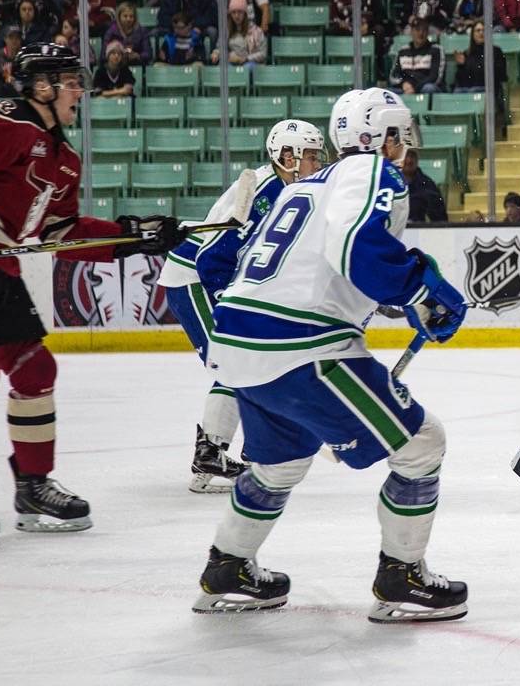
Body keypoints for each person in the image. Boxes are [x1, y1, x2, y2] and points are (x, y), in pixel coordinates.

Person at [192, 87, 469, 622]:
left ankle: (228, 565)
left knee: (279, 464)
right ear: (380, 136)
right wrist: (419, 291)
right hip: (301, 347)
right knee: (422, 444)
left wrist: (396, 292)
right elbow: (352, 247)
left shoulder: (306, 187)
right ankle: (402, 576)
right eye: (397, 133)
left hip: (241, 344)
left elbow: (308, 264)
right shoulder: (368, 173)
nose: (404, 144)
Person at [0, 43, 186, 554]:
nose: (80, 90)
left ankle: (33, 490)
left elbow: (63, 230)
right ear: (40, 87)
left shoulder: (63, 157)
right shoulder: (4, 120)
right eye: (69, 81)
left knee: (34, 370)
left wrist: (132, 235)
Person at [159, 120, 325, 493]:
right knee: (237, 360)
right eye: (311, 156)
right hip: (194, 279)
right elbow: (213, 258)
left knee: (248, 362)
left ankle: (217, 461)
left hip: (211, 277)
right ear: (287, 156)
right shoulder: (264, 191)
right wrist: (228, 308)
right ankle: (212, 453)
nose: (318, 163)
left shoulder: (291, 192)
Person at [388, 17, 445, 95]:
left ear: (428, 32)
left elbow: (435, 77)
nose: (421, 33)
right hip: (406, 88)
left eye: (424, 30)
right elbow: (394, 75)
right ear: (411, 32)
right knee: (387, 93)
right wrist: (403, 84)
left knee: (429, 88)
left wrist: (415, 87)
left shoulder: (436, 50)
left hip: (424, 87)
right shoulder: (403, 51)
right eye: (417, 30)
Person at [452, 21, 507, 100]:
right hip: (469, 90)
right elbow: (462, 82)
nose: (481, 33)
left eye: (484, 30)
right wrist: (461, 66)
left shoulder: (496, 51)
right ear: (473, 34)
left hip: (488, 90)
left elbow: (502, 76)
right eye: (478, 30)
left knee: (473, 91)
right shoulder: (467, 53)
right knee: (457, 92)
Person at [211, 0, 267, 70]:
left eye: (240, 12)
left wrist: (245, 58)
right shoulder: (227, 30)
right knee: (223, 68)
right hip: (232, 62)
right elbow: (220, 47)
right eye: (233, 12)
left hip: (250, 62)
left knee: (247, 68)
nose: (237, 16)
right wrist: (216, 53)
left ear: (245, 14)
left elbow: (263, 54)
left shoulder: (256, 31)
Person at [402, 148, 449, 222]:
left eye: (412, 156)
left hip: (416, 231)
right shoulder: (388, 182)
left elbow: (440, 219)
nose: (408, 160)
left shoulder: (428, 185)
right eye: (405, 155)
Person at [101, 2, 152, 66]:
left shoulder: (142, 31)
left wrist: (138, 55)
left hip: (136, 64)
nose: (128, 19)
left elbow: (148, 54)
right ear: (119, 17)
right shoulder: (111, 32)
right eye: (125, 16)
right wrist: (117, 56)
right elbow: (103, 56)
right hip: (117, 66)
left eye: (131, 16)